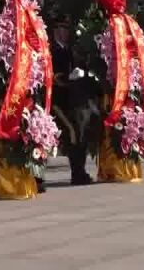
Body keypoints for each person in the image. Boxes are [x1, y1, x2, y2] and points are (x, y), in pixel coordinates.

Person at [49, 22, 94, 187]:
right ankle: (76, 172)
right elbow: (53, 77)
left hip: (75, 101)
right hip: (60, 101)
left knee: (81, 134)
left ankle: (80, 171)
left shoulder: (70, 50)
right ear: (55, 31)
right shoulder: (52, 51)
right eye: (61, 29)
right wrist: (69, 78)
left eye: (66, 29)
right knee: (73, 133)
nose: (64, 32)